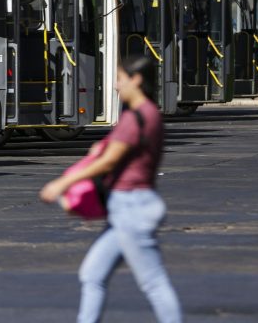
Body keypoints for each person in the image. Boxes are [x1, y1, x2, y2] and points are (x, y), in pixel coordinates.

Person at [39, 54, 182, 323]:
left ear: (136, 80)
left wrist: (62, 183)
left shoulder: (137, 117)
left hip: (132, 208)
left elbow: (108, 161)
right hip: (124, 209)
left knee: (153, 281)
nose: (116, 86)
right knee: (92, 275)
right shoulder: (149, 114)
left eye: (119, 79)